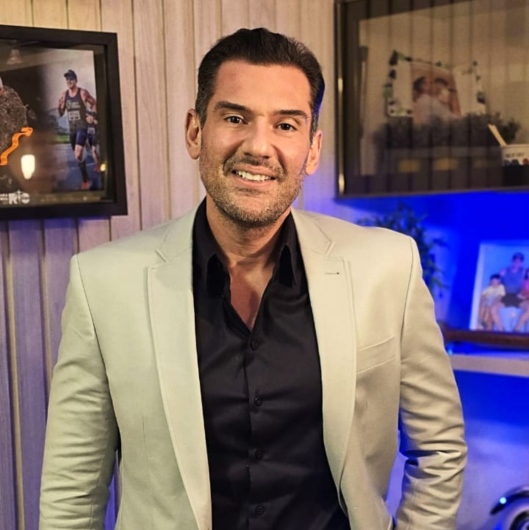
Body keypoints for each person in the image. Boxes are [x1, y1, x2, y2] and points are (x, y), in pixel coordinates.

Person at [40, 28, 466, 530]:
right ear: (195, 131)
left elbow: (439, 448)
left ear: (312, 149)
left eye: (286, 125)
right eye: (235, 118)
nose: (259, 146)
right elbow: (72, 489)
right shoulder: (103, 283)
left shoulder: (387, 267)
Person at [57, 69, 97, 190]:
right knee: (78, 157)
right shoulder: (64, 95)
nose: (69, 81)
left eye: (71, 79)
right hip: (72, 129)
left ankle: (86, 179)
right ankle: (86, 179)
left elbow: (94, 103)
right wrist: (59, 106)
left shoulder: (82, 93)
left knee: (77, 153)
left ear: (76, 80)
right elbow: (61, 114)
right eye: (67, 79)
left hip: (82, 127)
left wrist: (92, 115)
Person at [490, 252, 526, 331]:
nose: (517, 263)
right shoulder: (504, 271)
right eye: (515, 261)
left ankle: (516, 330)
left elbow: (526, 285)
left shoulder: (524, 272)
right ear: (512, 261)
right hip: (505, 296)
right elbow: (495, 283)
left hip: (518, 297)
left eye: (519, 261)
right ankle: (501, 330)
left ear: (521, 263)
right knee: (493, 309)